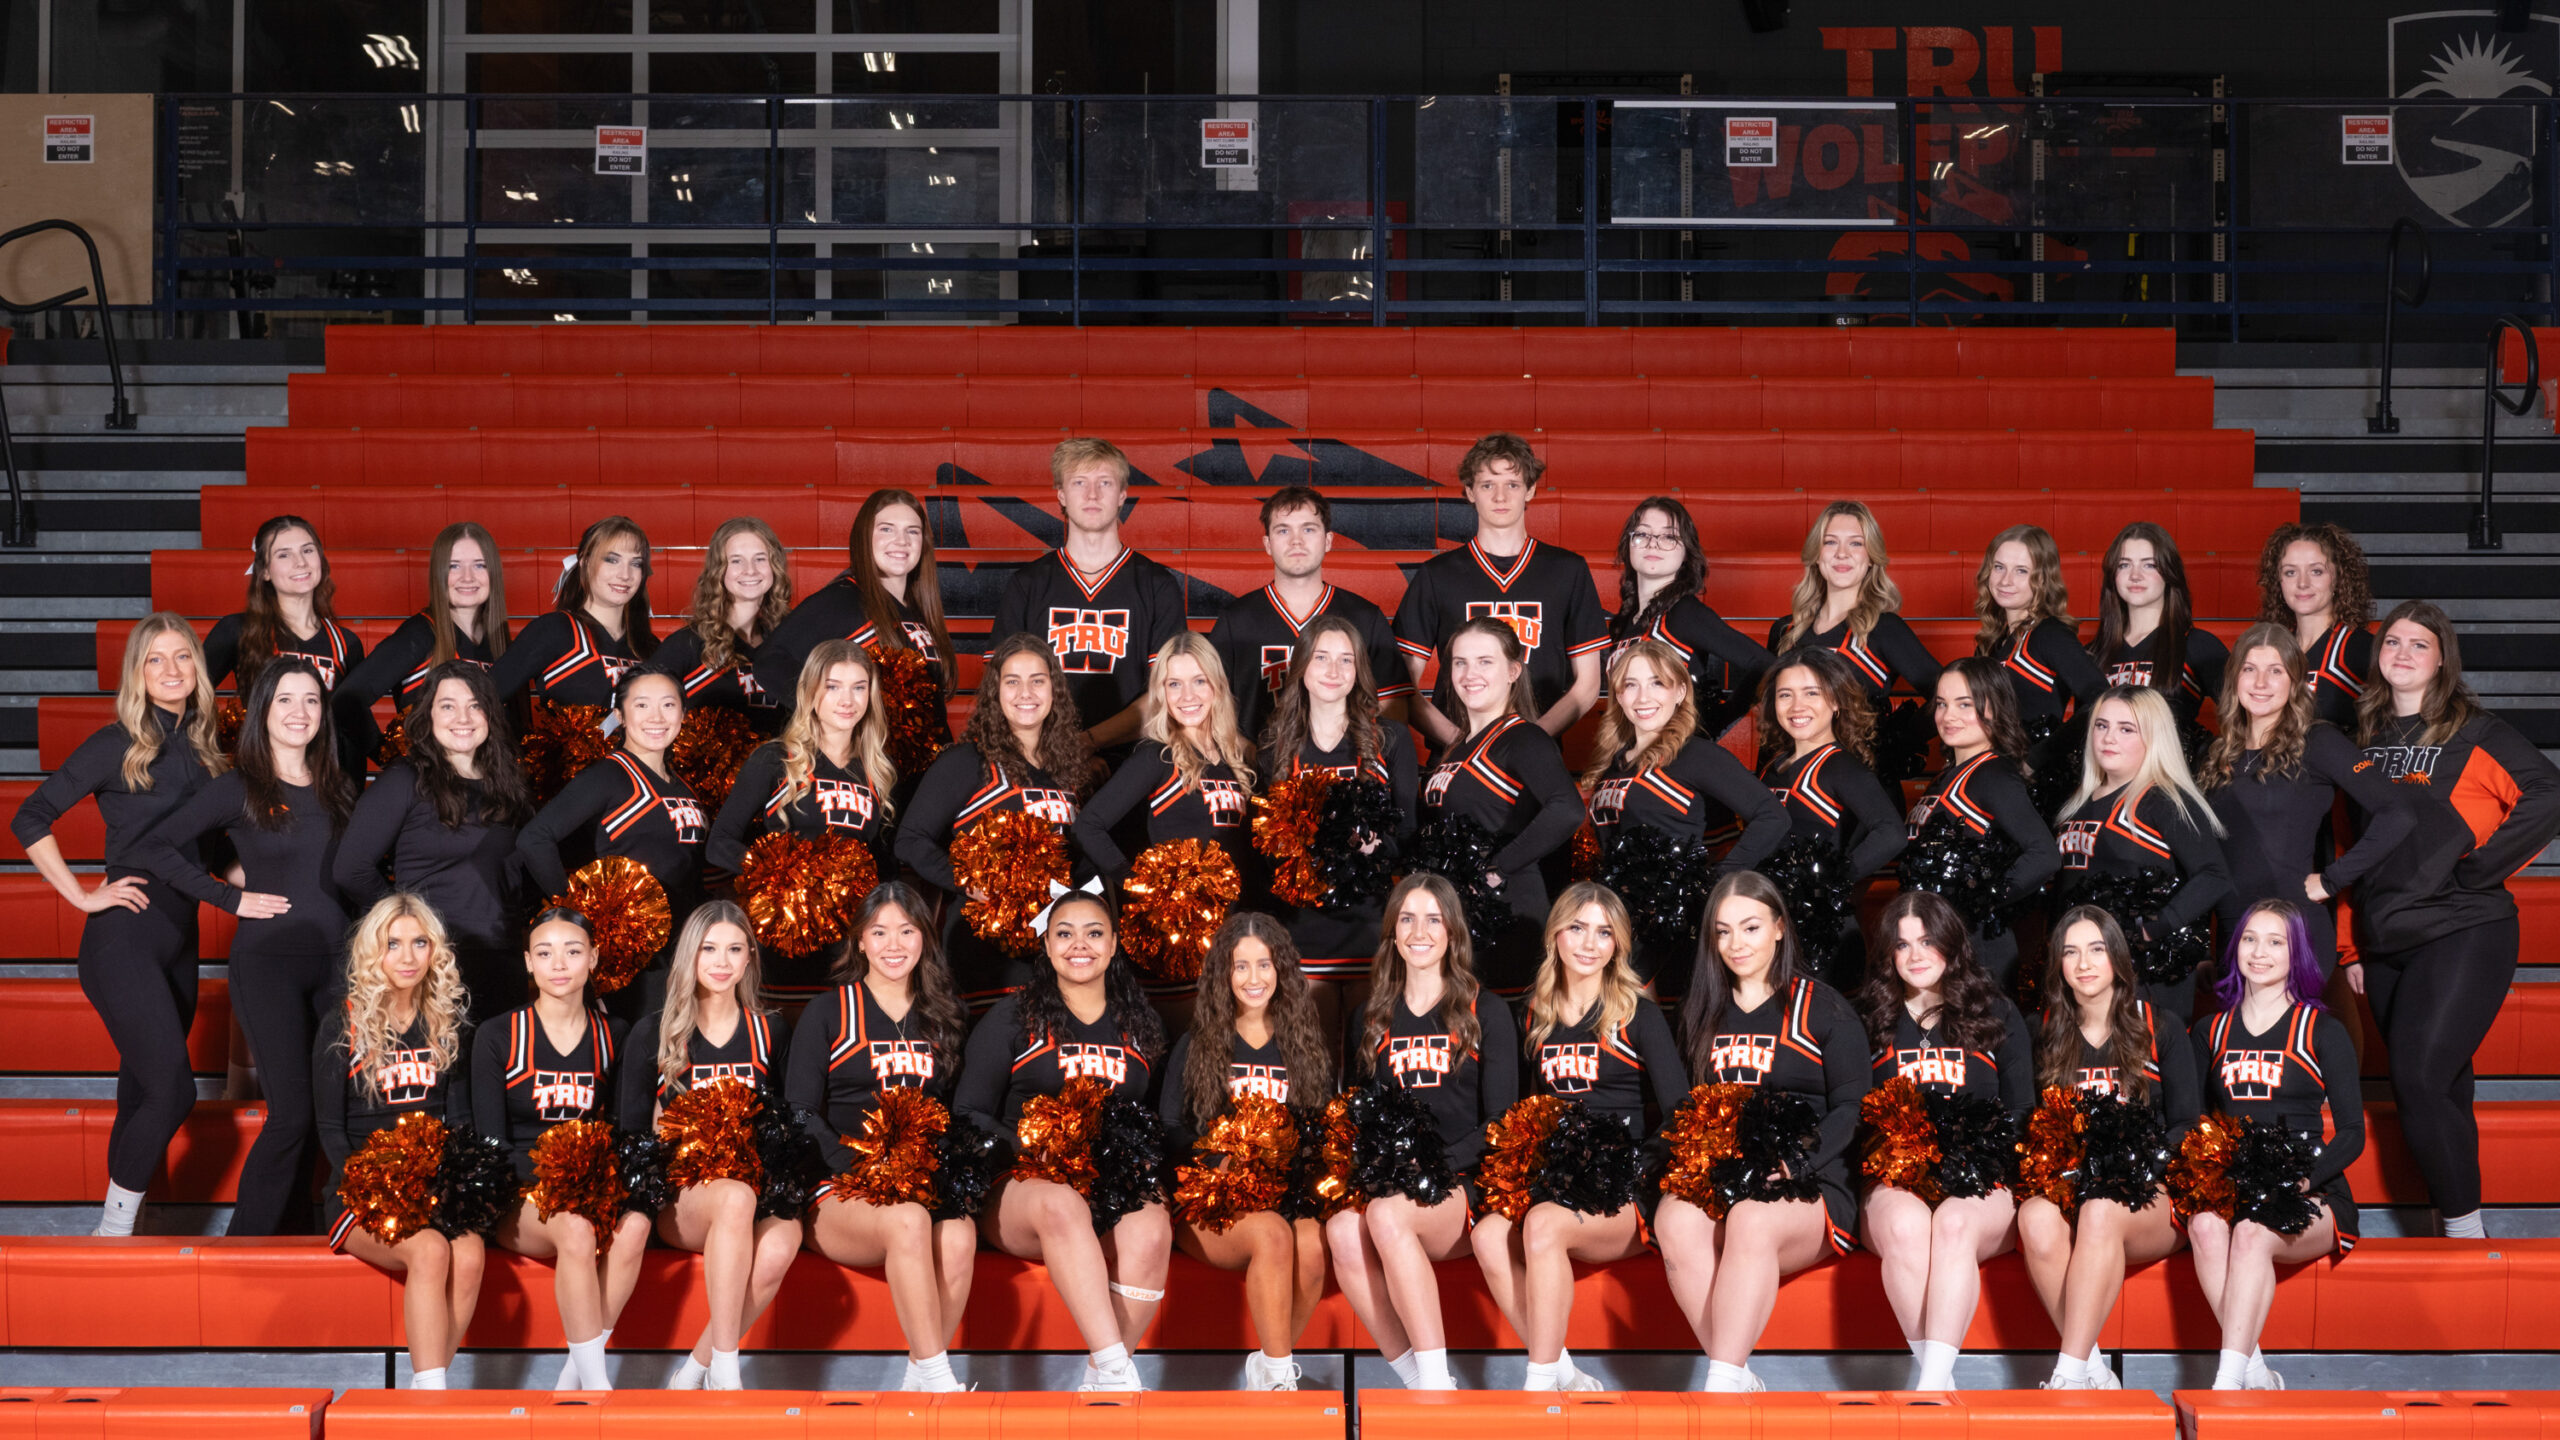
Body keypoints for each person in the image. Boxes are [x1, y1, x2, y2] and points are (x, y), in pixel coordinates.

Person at [2349, 600, 2560, 1239]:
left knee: (2418, 1077)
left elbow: (2549, 792)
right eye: (2393, 642)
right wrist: (2350, 946)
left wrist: (2479, 867)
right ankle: (2457, 1224)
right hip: (2385, 937)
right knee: (2442, 1087)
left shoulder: (2472, 731)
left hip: (2463, 926)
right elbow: (2346, 844)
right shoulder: (2365, 736)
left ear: (2443, 659)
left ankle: (2466, 1235)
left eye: (2420, 644)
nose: (2404, 653)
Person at [10, 614, 224, 1236]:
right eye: (155, 659)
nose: (171, 670)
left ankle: (127, 1227)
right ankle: (112, 1230)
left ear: (197, 667)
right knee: (174, 1091)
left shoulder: (208, 752)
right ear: (137, 672)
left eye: (181, 656)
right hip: (123, 940)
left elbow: (214, 856)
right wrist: (80, 896)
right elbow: (30, 816)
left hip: (179, 941)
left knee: (141, 1094)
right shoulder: (117, 742)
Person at [134, 656, 355, 1236]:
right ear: (263, 710)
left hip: (339, 966)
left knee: (329, 1114)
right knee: (292, 1115)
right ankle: (243, 1247)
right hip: (269, 967)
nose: (300, 712)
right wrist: (229, 897)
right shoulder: (239, 786)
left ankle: (295, 1241)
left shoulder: (338, 785)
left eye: (311, 700)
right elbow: (155, 846)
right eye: (285, 699)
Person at [954, 886, 1171, 1393]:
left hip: (1109, 1185)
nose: (1080, 945)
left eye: (1094, 933)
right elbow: (968, 1112)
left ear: (1113, 944)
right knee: (1061, 1203)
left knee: (1152, 1228)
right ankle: (1118, 1370)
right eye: (1065, 934)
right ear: (1048, 946)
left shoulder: (1140, 1024)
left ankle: (1106, 1376)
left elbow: (1155, 1120)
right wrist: (1036, 1147)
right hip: (1023, 1183)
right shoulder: (1015, 1016)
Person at [1658, 871, 1868, 1393]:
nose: (1737, 943)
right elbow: (1688, 1107)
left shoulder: (1824, 1007)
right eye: (1723, 931)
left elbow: (1853, 1106)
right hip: (1728, 1175)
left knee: (1751, 1219)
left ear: (1778, 927)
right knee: (1674, 1219)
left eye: (1750, 927)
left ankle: (1720, 1390)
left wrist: (1798, 1160)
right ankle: (1731, 1373)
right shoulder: (1700, 1010)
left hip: (1809, 1176)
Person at [1472, 883, 1683, 1393]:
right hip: (1557, 1183)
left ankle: (1539, 1385)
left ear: (1618, 945)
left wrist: (1634, 1165)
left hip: (1621, 1192)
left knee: (1543, 1225)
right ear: (1555, 935)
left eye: (1604, 933)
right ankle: (1562, 1370)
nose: (1590, 943)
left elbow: (1682, 1114)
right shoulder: (1532, 1016)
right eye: (1577, 928)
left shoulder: (1637, 1015)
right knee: (1487, 1235)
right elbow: (1520, 1112)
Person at [1324, 874, 1519, 1392]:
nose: (1420, 931)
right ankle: (1414, 1376)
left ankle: (1436, 1381)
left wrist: (1435, 1166)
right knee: (1342, 1230)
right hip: (1398, 1185)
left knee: (1387, 1215)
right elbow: (1361, 1115)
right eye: (1407, 919)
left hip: (1466, 1183)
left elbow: (1502, 1122)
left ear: (1452, 932)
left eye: (1434, 919)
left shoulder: (1484, 1010)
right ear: (1392, 933)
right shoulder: (1370, 1017)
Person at [788, 882, 976, 1394]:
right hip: (840, 1186)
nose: (894, 944)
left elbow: (952, 1113)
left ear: (925, 939)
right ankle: (941, 1381)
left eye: (907, 931)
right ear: (860, 941)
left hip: (916, 1182)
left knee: (959, 1235)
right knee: (909, 1220)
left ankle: (920, 1376)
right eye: (879, 932)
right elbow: (800, 1111)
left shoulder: (943, 1015)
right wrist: (859, 1168)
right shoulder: (828, 1011)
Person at [1851, 889, 2034, 1392]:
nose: (1915, 955)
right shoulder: (1867, 1019)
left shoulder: (1995, 1012)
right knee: (1907, 1227)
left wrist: (1983, 1159)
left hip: (1981, 1179)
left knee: (1953, 1223)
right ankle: (1939, 1383)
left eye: (1928, 941)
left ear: (1952, 944)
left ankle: (1930, 1388)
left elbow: (2022, 1110)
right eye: (1902, 944)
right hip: (1895, 1179)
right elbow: (1855, 1113)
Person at [2017, 905, 2198, 1392]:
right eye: (2070, 952)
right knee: (2034, 1217)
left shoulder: (2160, 1026)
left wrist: (2138, 1165)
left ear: (2117, 955)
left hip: (2149, 1195)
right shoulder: (2040, 1029)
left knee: (2100, 1209)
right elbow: (2028, 1122)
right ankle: (2091, 1366)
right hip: (2071, 1189)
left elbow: (2186, 1123)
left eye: (2096, 949)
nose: (2084, 964)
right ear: (2057, 964)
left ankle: (2065, 1376)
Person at [2186, 901, 2364, 1392]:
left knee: (2250, 1232)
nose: (2259, 952)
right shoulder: (2211, 1031)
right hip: (2237, 1186)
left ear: (2296, 953)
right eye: (2249, 939)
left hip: (2312, 1190)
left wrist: (2302, 1181)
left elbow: (2353, 1132)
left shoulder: (2322, 1029)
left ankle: (2225, 1385)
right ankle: (2255, 1371)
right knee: (2203, 1226)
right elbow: (2196, 1122)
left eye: (2275, 942)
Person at [621, 901, 798, 1392]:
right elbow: (631, 1136)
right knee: (734, 1198)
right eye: (708, 949)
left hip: (755, 1188)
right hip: (684, 1196)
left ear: (749, 958)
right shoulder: (653, 1031)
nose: (721, 962)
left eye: (734, 949)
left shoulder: (770, 1030)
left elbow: (788, 1125)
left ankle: (696, 1370)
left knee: (778, 1247)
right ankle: (728, 1371)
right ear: (689, 955)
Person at [476, 908, 653, 1392]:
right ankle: (596, 1391)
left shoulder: (614, 1034)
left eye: (573, 951)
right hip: (518, 1194)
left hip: (591, 1189)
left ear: (593, 959)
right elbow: (491, 1145)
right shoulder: (498, 1035)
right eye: (545, 953)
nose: (559, 964)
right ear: (528, 962)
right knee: (575, 1230)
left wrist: (593, 1182)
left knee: (636, 1225)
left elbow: (624, 1131)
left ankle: (574, 1377)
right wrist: (560, 1181)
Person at [1161, 913, 1337, 1392]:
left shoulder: (1305, 1047)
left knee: (1313, 1246)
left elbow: (1322, 1133)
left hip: (1284, 1195)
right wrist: (1219, 1162)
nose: (1253, 978)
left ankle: (1267, 1367)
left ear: (1282, 970)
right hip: (1212, 1201)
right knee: (1273, 1233)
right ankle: (1280, 1384)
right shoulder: (1197, 1044)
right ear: (1223, 972)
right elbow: (1170, 1129)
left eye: (1264, 964)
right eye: (1240, 966)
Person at [314, 893, 482, 1390]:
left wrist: (452, 1186)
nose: (407, 957)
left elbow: (460, 1122)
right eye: (392, 944)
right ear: (373, 951)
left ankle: (426, 1387)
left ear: (435, 951)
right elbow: (330, 1130)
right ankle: (432, 1399)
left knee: (471, 1253)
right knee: (429, 1251)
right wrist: (375, 1191)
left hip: (430, 1189)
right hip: (360, 1195)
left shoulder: (446, 1022)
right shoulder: (343, 1023)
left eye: (419, 943)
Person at [2199, 623, 2416, 978]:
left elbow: (2398, 813)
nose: (2260, 683)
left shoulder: (2318, 742)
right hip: (2232, 932)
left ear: (2295, 681)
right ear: (2234, 678)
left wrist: (2332, 879)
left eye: (2275, 671)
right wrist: (2200, 944)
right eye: (2249, 669)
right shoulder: (2215, 753)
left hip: (2293, 930)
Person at [895, 634, 1100, 1007]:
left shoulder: (1068, 770)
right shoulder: (967, 762)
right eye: (1012, 681)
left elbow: (1080, 861)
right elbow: (910, 839)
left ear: (1054, 690)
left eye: (1037, 680)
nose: (1026, 693)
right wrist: (970, 883)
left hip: (1053, 948)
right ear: (995, 692)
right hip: (983, 947)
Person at [1578, 639, 1787, 999]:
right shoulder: (1615, 763)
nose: (1643, 697)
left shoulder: (1695, 755)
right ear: (1619, 697)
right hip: (1620, 922)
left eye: (1657, 683)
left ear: (1680, 692)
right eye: (1631, 685)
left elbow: (1773, 816)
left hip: (1671, 928)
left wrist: (1714, 883)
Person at [334, 661, 533, 1026]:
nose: (463, 718)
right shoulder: (405, 780)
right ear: (428, 715)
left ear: (490, 714)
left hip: (502, 956)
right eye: (448, 706)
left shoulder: (509, 783)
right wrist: (408, 924)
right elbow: (350, 869)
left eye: (475, 705)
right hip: (435, 962)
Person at [706, 641, 898, 995]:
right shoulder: (776, 759)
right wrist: (777, 875)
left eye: (859, 688)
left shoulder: (876, 770)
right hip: (785, 934)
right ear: (810, 691)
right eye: (833, 687)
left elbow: (880, 861)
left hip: (850, 943)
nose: (847, 700)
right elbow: (718, 844)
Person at [1394, 433, 1608, 748]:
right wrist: (1463, 744)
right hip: (1456, 755)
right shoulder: (1436, 575)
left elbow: (1588, 684)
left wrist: (1531, 742)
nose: (1500, 497)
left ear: (1530, 490)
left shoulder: (1567, 570)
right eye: (1487, 485)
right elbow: (1402, 686)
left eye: (1512, 484)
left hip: (1537, 754)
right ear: (1470, 492)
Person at [515, 669, 708, 1015]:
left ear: (682, 714)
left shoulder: (682, 785)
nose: (656, 717)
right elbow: (534, 838)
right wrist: (576, 916)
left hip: (683, 949)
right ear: (619, 715)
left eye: (668, 705)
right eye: (642, 705)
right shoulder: (609, 775)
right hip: (635, 958)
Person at [1414, 618, 1587, 994]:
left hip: (1508, 911)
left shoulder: (1523, 738)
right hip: (1462, 912)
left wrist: (1498, 867)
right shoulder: (1459, 747)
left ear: (1513, 671)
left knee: (1502, 1021)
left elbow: (1568, 808)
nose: (1469, 674)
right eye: (1460, 662)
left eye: (1484, 662)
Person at [991, 438, 1187, 754]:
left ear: (1122, 494)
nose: (1092, 494)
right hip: (1041, 757)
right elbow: (1002, 686)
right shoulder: (1026, 585)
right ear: (1061, 495)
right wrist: (1054, 752)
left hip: (1134, 760)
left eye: (1104, 482)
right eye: (1079, 482)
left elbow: (1168, 694)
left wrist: (1087, 744)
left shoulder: (1157, 585)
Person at [2052, 687, 2231, 1018]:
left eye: (2126, 729)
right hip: (2085, 970)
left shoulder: (2164, 800)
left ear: (2154, 737)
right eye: (2101, 725)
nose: (2109, 738)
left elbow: (2214, 875)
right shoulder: (2077, 804)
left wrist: (2153, 929)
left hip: (2147, 974)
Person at [1256, 614, 1421, 973]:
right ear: (1301, 666)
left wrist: (1376, 847)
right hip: (1300, 925)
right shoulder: (1274, 748)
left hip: (1372, 921)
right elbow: (1265, 850)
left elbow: (1409, 834)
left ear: (1359, 670)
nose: (1334, 670)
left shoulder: (1391, 739)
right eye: (1321, 657)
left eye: (1346, 659)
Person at [756, 489, 958, 762]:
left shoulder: (918, 609)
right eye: (886, 529)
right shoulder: (843, 598)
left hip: (922, 771)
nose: (902, 541)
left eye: (913, 531)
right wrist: (829, 715)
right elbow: (769, 663)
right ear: (864, 537)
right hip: (871, 768)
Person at [1207, 485, 1410, 744]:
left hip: (1344, 766)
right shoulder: (1235, 621)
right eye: (1283, 530)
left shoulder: (1364, 617)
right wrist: (1249, 755)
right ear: (1268, 544)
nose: (1296, 541)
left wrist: (1355, 753)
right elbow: (1210, 707)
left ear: (1328, 541)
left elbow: (1393, 707)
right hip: (1256, 765)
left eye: (1308, 529)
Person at [1756, 648, 1907, 992]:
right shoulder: (1773, 766)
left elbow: (1891, 832)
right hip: (1776, 923)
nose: (1797, 706)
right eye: (1785, 695)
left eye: (1812, 693)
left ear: (1836, 701)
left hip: (1822, 931)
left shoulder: (1839, 766)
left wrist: (1833, 882)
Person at [1907, 658, 2062, 992]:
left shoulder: (1993, 774)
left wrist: (1980, 900)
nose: (1948, 716)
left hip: (1977, 949)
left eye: (1965, 704)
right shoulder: (1950, 775)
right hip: (1939, 944)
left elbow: (2045, 854)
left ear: (1996, 706)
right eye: (1942, 704)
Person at [1074, 633, 1259, 891]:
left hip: (1239, 914)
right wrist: (1139, 885)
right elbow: (1087, 826)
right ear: (1161, 692)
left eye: (1199, 681)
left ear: (1217, 686)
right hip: (1180, 915)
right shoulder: (1159, 757)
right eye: (1174, 684)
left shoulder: (1236, 760)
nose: (1187, 696)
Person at [335, 522, 511, 769]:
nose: (468, 577)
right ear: (438, 573)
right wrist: (392, 760)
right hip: (432, 787)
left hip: (486, 784)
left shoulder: (499, 642)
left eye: (479, 565)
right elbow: (345, 702)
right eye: (454, 566)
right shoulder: (420, 633)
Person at [1767, 501, 1941, 734]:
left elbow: (1949, 698)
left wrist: (1897, 743)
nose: (1842, 553)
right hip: (1793, 758)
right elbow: (1770, 719)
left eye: (1856, 543)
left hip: (1856, 757)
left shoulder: (1884, 629)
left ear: (1871, 558)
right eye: (1830, 542)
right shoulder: (1786, 631)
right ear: (1816, 555)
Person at [1611, 497, 1772, 740]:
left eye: (1668, 537)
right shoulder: (1626, 619)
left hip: (1677, 754)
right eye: (1642, 534)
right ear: (1629, 545)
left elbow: (1767, 664)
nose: (1653, 544)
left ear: (1686, 552)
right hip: (1634, 751)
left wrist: (1718, 720)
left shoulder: (1684, 613)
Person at [1974, 524, 2107, 807]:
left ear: (2043, 579)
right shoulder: (1992, 643)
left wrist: (2036, 759)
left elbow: (2102, 699)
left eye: (2021, 571)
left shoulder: (2049, 634)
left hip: (2036, 788)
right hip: (1995, 778)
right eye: (1999, 567)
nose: (2006, 580)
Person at [489, 516, 656, 711]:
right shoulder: (554, 630)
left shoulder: (650, 648)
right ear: (585, 562)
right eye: (612, 560)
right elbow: (482, 698)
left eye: (636, 564)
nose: (625, 575)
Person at [2090, 523, 2226, 751]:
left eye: (2149, 565)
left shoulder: (2197, 645)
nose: (2135, 575)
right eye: (2124, 565)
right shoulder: (2093, 652)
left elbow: (2243, 715)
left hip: (2170, 772)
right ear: (2113, 575)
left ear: (2169, 573)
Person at [649, 517, 790, 733]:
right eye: (736, 561)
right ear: (718, 569)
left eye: (760, 559)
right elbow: (640, 716)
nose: (750, 570)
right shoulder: (686, 645)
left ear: (775, 566)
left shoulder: (788, 642)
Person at [203, 513, 366, 696]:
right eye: (284, 555)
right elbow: (191, 697)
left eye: (307, 550)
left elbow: (354, 712)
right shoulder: (236, 630)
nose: (301, 562)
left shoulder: (346, 644)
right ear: (265, 571)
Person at [2257, 522, 2372, 732]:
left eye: (2316, 571)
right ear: (2278, 581)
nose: (2302, 583)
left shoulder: (2360, 647)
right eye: (2290, 572)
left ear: (2338, 578)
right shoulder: (2271, 647)